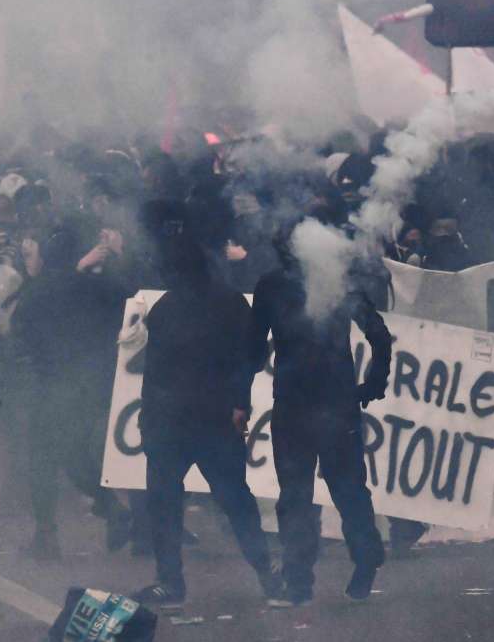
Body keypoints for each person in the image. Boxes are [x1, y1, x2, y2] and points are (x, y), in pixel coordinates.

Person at [132, 234, 282, 608]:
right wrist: (239, 403)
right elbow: (253, 354)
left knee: (165, 502)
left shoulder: (166, 307)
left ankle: (170, 583)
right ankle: (267, 575)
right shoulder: (228, 302)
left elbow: (154, 370)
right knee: (235, 500)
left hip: (173, 421)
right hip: (213, 418)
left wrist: (148, 419)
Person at [248, 218, 391, 606]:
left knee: (299, 494)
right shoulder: (335, 280)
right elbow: (378, 334)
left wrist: (237, 394)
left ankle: (300, 582)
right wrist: (374, 382)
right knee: (343, 490)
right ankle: (356, 560)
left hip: (301, 404)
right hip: (328, 402)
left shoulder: (275, 285)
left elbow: (253, 347)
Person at [11, 224, 132, 560]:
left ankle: (47, 536)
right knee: (74, 453)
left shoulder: (38, 290)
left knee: (44, 460)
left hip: (51, 384)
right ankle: (112, 508)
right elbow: (134, 303)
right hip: (91, 385)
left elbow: (18, 335)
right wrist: (116, 259)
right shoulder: (98, 286)